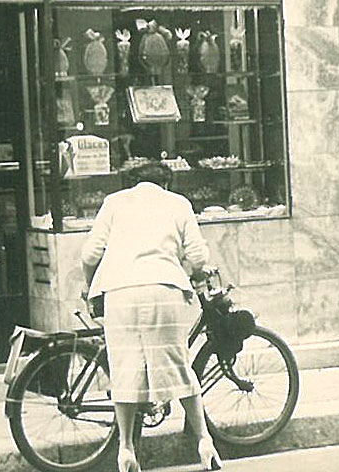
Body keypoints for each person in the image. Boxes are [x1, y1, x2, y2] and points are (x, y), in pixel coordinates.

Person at [80, 162, 222, 472]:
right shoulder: (177, 203)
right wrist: (189, 272)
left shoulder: (114, 203)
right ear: (166, 184)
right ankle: (205, 442)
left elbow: (89, 255)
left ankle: (126, 450)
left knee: (125, 369)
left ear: (133, 182)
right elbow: (198, 255)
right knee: (179, 365)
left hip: (120, 292)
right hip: (164, 290)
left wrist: (90, 289)